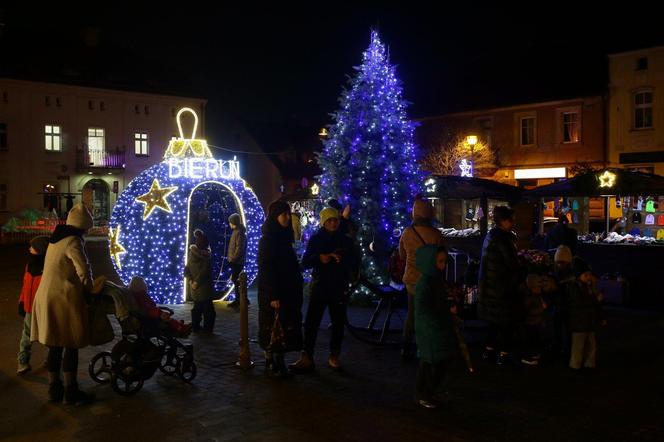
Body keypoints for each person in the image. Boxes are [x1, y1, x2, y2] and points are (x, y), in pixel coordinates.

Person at [31, 203, 96, 405]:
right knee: (71, 344)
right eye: (87, 228)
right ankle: (71, 391)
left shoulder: (55, 239)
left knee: (55, 346)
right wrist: (90, 289)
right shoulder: (73, 242)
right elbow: (83, 270)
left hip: (46, 295)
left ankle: (54, 389)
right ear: (82, 227)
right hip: (63, 298)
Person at [291, 207, 359, 371]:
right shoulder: (316, 239)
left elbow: (353, 261)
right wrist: (320, 258)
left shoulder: (345, 240)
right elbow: (306, 261)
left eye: (335, 220)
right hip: (321, 285)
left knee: (337, 323)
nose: (333, 223)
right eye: (329, 220)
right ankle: (307, 355)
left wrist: (344, 263)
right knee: (311, 322)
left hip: (338, 286)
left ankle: (334, 355)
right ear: (323, 222)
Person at [257, 200, 303, 377]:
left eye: (287, 214)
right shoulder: (268, 240)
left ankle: (279, 358)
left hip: (287, 290)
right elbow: (266, 268)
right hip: (274, 292)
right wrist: (273, 294)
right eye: (283, 214)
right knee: (273, 325)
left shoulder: (284, 238)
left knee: (284, 324)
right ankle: (272, 359)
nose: (286, 217)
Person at [398, 198, 445, 360]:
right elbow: (441, 258)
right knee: (428, 314)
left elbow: (402, 255)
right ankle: (425, 347)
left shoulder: (407, 232)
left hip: (411, 279)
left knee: (412, 313)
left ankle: (405, 347)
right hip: (430, 280)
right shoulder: (436, 234)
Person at [478, 205, 523, 365]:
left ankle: (488, 352)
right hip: (502, 288)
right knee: (506, 323)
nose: (513, 223)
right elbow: (512, 264)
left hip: (491, 286)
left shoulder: (491, 236)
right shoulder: (503, 239)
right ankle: (503, 355)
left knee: (494, 323)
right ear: (503, 221)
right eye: (511, 220)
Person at [413, 245, 456, 409]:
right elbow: (424, 309)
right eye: (440, 261)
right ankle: (423, 394)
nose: (443, 265)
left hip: (436, 327)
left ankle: (428, 393)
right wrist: (441, 315)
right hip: (430, 329)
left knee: (437, 362)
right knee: (430, 363)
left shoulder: (435, 279)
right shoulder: (425, 283)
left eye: (444, 261)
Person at [16, 235, 49, 374]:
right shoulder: (30, 265)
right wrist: (21, 301)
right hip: (29, 308)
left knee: (48, 335)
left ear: (40, 250)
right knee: (26, 336)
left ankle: (52, 359)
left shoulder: (48, 269)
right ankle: (22, 362)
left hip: (43, 309)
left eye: (33, 247)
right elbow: (25, 285)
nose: (30, 249)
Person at [566, 257, 603, 371]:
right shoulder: (573, 287)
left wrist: (601, 317)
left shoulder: (589, 287)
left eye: (589, 275)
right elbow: (579, 302)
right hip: (579, 321)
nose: (588, 278)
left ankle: (589, 363)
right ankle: (575, 365)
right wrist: (595, 299)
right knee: (579, 345)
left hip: (589, 321)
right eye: (585, 275)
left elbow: (596, 307)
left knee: (591, 344)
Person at [128, 276, 192, 336]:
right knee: (168, 319)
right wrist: (158, 312)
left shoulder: (135, 295)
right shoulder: (141, 296)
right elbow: (147, 307)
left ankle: (178, 324)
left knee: (167, 318)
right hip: (152, 314)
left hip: (151, 312)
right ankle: (180, 328)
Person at [185, 229, 216, 333]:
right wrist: (196, 282)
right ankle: (207, 328)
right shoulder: (206, 256)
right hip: (203, 287)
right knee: (208, 309)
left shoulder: (191, 253)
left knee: (197, 307)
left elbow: (187, 268)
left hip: (195, 287)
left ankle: (196, 326)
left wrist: (191, 281)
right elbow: (205, 271)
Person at [520, 274, 548, 366]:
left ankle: (533, 354)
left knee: (535, 339)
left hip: (535, 322)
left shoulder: (536, 294)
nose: (540, 289)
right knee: (529, 340)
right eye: (538, 287)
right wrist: (541, 308)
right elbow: (527, 311)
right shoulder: (528, 297)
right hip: (529, 323)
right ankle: (526, 357)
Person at [226, 213, 248, 308]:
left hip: (237, 261)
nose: (229, 224)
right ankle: (241, 298)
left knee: (235, 279)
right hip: (235, 260)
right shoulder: (237, 231)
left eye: (230, 222)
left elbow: (239, 248)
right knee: (235, 279)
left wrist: (233, 258)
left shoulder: (239, 232)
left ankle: (241, 298)